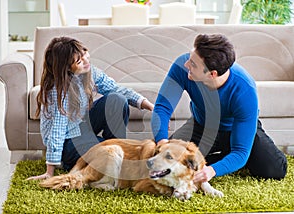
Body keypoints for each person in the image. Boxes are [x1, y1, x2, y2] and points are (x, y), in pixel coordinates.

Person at [151, 33, 287, 183]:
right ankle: (227, 156)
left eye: (193, 64)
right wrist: (162, 141)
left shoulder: (244, 90)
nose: (186, 64)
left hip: (235, 128)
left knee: (274, 169)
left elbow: (241, 152)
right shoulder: (182, 66)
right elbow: (162, 107)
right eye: (190, 57)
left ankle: (230, 156)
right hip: (201, 125)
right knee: (167, 163)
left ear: (212, 74)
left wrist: (211, 170)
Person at [27, 36, 154, 180]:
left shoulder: (90, 72)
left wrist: (149, 106)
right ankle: (92, 159)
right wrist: (50, 171)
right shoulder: (59, 90)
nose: (86, 61)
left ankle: (117, 153)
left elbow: (116, 89)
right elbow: (57, 130)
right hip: (69, 141)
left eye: (85, 53)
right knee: (111, 152)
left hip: (82, 127)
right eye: (79, 61)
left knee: (117, 99)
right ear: (67, 68)